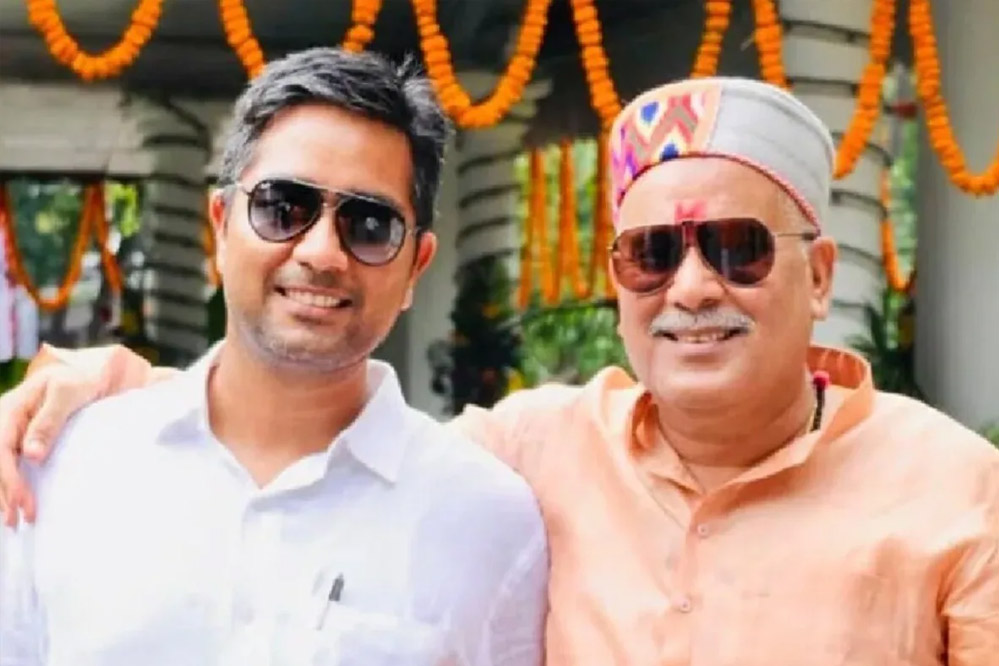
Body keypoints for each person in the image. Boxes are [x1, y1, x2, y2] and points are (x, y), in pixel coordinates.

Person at [3, 76, 998, 665]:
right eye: (652, 253)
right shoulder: (536, 450)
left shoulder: (957, 492)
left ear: (818, 275)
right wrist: (122, 389)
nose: (692, 287)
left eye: (738, 249)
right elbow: (317, 427)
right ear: (617, 281)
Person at [0, 47, 548, 666]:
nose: (321, 252)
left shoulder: (487, 523)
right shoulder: (63, 468)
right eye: (283, 207)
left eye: (370, 225)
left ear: (415, 267)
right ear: (220, 225)